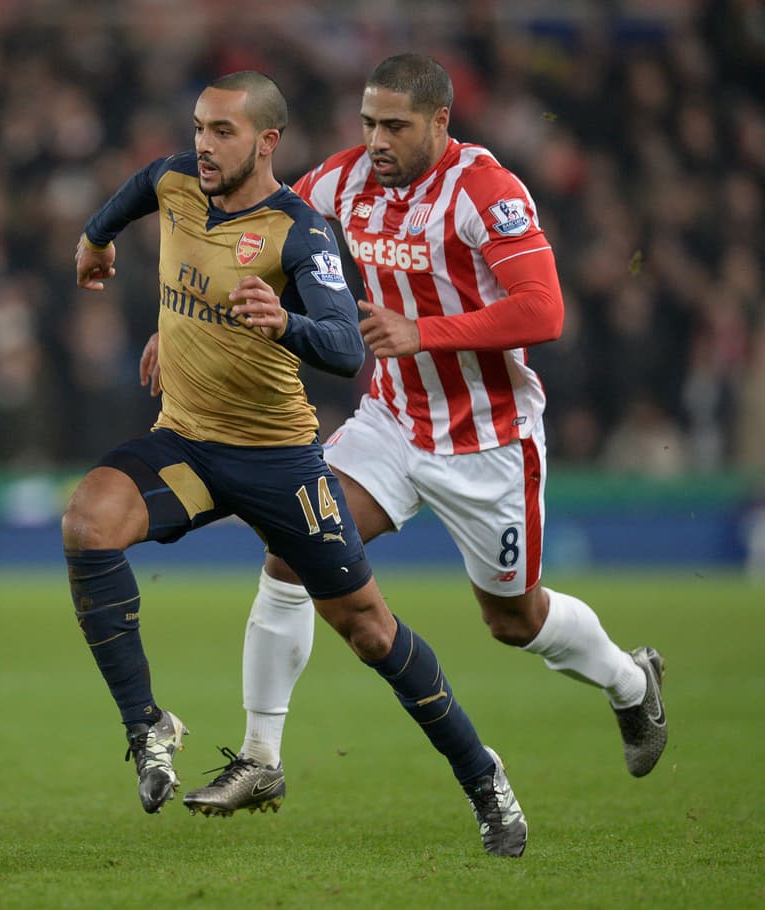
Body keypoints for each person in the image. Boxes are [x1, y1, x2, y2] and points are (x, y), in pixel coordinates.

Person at [167, 53, 667, 818]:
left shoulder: (486, 191)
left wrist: (423, 332)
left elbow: (544, 310)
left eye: (395, 126)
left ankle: (631, 683)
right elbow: (266, 235)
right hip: (393, 422)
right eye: (369, 122)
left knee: (514, 621)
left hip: (488, 439)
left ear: (440, 120)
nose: (377, 140)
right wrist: (187, 317)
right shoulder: (341, 182)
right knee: (293, 545)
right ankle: (261, 757)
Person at [69, 69, 527, 857]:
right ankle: (148, 728)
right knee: (88, 521)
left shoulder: (299, 232)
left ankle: (484, 778)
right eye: (199, 127)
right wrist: (95, 238)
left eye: (223, 132)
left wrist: (283, 322)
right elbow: (141, 186)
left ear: (267, 142)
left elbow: (346, 347)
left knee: (370, 632)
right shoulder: (178, 183)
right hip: (187, 444)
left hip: (278, 462)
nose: (204, 145)